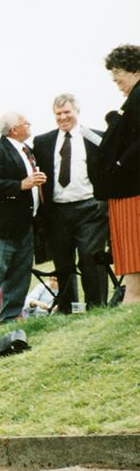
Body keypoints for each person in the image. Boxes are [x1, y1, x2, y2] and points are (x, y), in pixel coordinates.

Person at [33, 94, 108, 312]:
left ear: (77, 112)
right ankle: (67, 308)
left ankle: (97, 307)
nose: (63, 117)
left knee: (90, 258)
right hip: (57, 210)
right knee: (63, 262)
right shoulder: (42, 141)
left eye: (67, 112)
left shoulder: (95, 137)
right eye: (58, 114)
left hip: (90, 208)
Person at [0, 112, 46, 322]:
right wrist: (21, 185)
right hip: (0, 229)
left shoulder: (29, 152)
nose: (30, 125)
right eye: (26, 123)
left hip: (25, 226)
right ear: (13, 129)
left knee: (20, 276)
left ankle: (10, 318)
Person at [97, 44, 140, 304]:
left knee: (135, 251)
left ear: (133, 68)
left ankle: (132, 298)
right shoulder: (133, 98)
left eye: (117, 71)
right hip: (128, 189)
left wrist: (120, 165)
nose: (114, 79)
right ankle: (132, 296)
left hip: (132, 190)